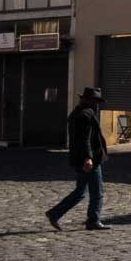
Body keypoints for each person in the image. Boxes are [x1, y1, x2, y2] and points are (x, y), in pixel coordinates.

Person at [46, 86, 109, 231]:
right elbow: (84, 139)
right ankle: (93, 220)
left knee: (81, 191)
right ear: (89, 101)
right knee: (97, 191)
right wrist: (88, 158)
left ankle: (55, 213)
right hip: (89, 160)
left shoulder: (78, 113)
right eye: (96, 101)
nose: (97, 104)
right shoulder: (85, 115)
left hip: (79, 158)